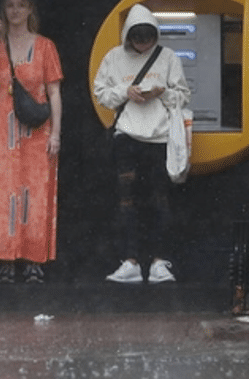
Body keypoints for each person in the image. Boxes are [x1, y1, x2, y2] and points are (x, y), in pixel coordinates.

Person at [95, 4, 190, 284]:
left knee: (160, 200)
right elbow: (100, 93)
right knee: (127, 202)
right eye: (138, 38)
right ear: (128, 36)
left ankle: (160, 261)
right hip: (126, 135)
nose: (143, 43)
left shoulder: (168, 57)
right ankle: (131, 260)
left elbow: (183, 95)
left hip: (159, 137)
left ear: (156, 35)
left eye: (148, 37)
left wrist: (161, 93)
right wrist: (126, 91)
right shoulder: (113, 58)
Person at [0, 0, 63, 284]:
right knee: (0, 194)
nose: (14, 11)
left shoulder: (46, 46)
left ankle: (34, 261)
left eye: (21, 5)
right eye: (10, 5)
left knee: (34, 194)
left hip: (36, 130)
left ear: (30, 11)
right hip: (0, 129)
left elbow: (54, 92)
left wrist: (57, 133)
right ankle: (4, 260)